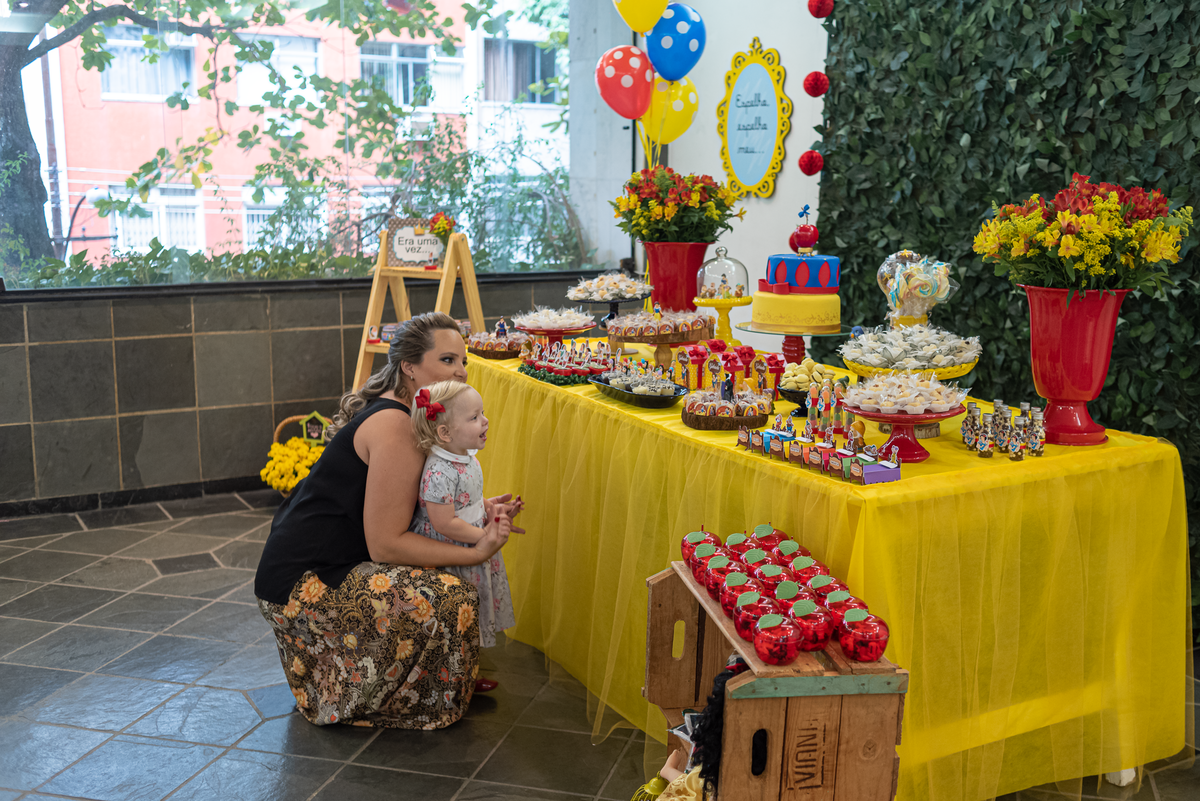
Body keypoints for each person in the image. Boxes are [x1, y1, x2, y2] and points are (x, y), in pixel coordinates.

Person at [254, 311, 522, 730]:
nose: (463, 371)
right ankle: (416, 691)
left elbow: (416, 504)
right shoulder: (397, 426)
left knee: (444, 579)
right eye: (448, 360)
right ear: (409, 368)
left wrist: (478, 509)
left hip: (325, 564)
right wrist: (475, 551)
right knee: (451, 597)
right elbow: (386, 545)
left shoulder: (414, 417)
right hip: (302, 581)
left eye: (463, 361)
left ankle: (442, 678)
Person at [408, 381, 518, 649]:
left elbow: (464, 500)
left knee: (472, 608)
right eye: (475, 417)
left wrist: (488, 508)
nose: (486, 421)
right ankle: (455, 671)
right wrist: (483, 536)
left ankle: (468, 668)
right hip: (452, 548)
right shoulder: (439, 471)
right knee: (456, 612)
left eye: (482, 413)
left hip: (466, 536)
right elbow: (444, 522)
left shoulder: (466, 457)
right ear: (445, 432)